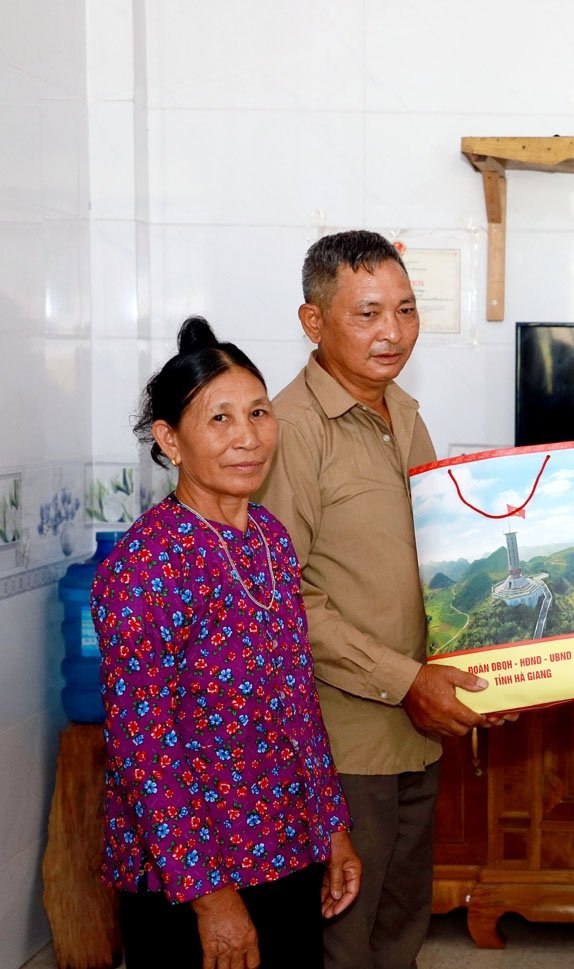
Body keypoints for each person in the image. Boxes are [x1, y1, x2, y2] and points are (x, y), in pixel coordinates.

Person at [255, 229, 503, 969]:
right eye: (366, 313)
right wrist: (407, 680)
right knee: (345, 937)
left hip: (417, 730)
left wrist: (497, 660)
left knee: (402, 924)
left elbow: (437, 565)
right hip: (343, 741)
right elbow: (285, 600)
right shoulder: (289, 429)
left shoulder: (404, 413)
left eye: (405, 308)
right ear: (313, 321)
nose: (392, 331)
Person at [93, 317, 361, 969]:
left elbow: (299, 698)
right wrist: (211, 899)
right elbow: (142, 745)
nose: (248, 437)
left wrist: (332, 825)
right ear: (170, 440)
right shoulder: (147, 564)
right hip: (188, 871)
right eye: (220, 419)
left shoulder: (269, 537)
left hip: (286, 846)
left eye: (259, 412)